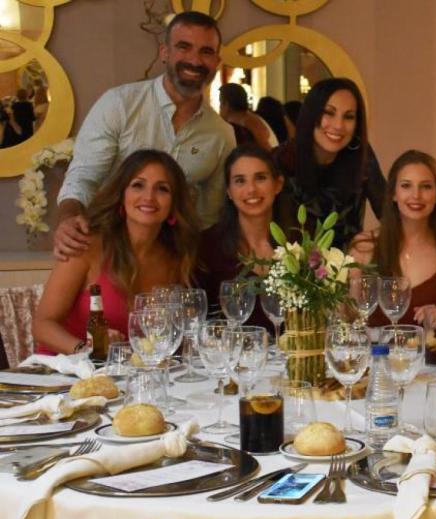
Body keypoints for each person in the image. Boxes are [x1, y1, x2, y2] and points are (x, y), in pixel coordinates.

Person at [52, 11, 235, 261]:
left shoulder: (221, 134)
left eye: (206, 51)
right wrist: (68, 218)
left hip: (171, 262)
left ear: (217, 61)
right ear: (164, 52)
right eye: (183, 47)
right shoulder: (119, 105)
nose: (195, 60)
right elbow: (83, 176)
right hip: (105, 252)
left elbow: (207, 217)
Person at [33, 149, 199, 354]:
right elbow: (42, 325)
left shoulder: (175, 258)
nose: (149, 197)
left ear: (174, 203)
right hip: (63, 370)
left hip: (126, 375)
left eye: (162, 189)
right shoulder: (85, 245)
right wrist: (89, 351)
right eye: (138, 185)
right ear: (122, 195)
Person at [350, 150, 436, 326]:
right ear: (393, 194)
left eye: (426, 186)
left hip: (430, 353)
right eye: (406, 186)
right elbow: (348, 317)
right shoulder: (363, 248)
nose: (416, 195)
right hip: (372, 353)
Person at [274, 78, 385, 249]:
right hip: (291, 269)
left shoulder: (360, 154)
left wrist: (368, 241)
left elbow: (389, 213)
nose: (338, 125)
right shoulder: (283, 159)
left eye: (349, 117)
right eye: (329, 112)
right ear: (311, 114)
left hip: (347, 269)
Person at [194, 144, 281, 332]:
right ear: (229, 192)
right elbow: (197, 321)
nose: (251, 189)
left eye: (260, 178)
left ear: (278, 185)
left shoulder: (299, 244)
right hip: (230, 358)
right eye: (240, 181)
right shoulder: (206, 248)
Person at [218, 83, 277, 151]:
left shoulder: (247, 121)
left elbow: (268, 149)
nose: (219, 107)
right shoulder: (247, 118)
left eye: (221, 102)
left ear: (226, 104)